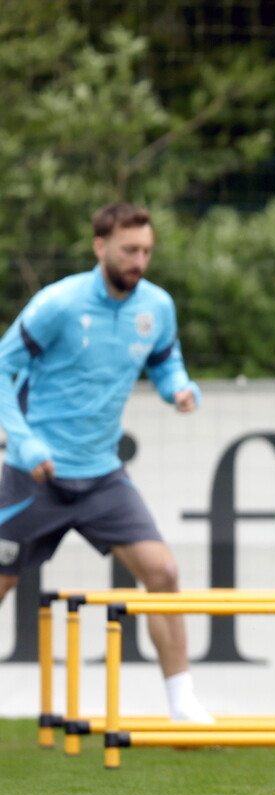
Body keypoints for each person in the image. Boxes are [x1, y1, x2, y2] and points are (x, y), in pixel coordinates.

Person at [0, 202, 213, 724]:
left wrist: (179, 389)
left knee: (163, 572)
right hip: (36, 474)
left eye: (146, 250)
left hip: (102, 476)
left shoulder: (157, 306)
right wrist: (24, 444)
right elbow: (3, 369)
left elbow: (166, 362)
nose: (139, 260)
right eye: (128, 250)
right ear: (100, 247)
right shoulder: (58, 304)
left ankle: (183, 704)